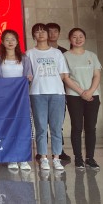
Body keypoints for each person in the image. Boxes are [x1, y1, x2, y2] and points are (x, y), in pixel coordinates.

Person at [27, 23, 74, 171]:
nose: (41, 34)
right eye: (37, 31)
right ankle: (43, 158)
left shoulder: (57, 53)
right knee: (41, 128)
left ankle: (56, 158)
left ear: (47, 34)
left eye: (43, 31)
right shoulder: (29, 53)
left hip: (57, 93)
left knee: (56, 128)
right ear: (33, 35)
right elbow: (27, 74)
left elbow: (63, 74)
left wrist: (51, 81)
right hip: (37, 93)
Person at [0, 29, 33, 171]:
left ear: (17, 42)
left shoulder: (24, 58)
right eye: (7, 39)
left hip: (20, 99)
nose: (10, 42)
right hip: (3, 99)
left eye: (13, 39)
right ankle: (11, 157)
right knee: (7, 127)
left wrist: (28, 78)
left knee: (22, 127)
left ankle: (23, 158)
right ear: (2, 42)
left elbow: (29, 75)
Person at [63, 28, 102, 170]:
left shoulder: (92, 55)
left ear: (84, 38)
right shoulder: (65, 56)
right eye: (74, 37)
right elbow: (65, 77)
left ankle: (90, 158)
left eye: (81, 36)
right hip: (74, 96)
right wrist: (81, 92)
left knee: (91, 127)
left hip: (93, 95)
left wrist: (90, 91)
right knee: (77, 127)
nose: (78, 39)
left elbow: (97, 75)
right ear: (70, 39)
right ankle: (78, 158)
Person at [46, 21, 70, 162]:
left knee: (57, 124)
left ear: (59, 34)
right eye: (49, 31)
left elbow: (67, 74)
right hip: (42, 92)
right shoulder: (38, 51)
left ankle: (59, 151)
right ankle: (42, 151)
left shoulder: (64, 52)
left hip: (59, 92)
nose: (52, 34)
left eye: (55, 31)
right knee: (42, 124)